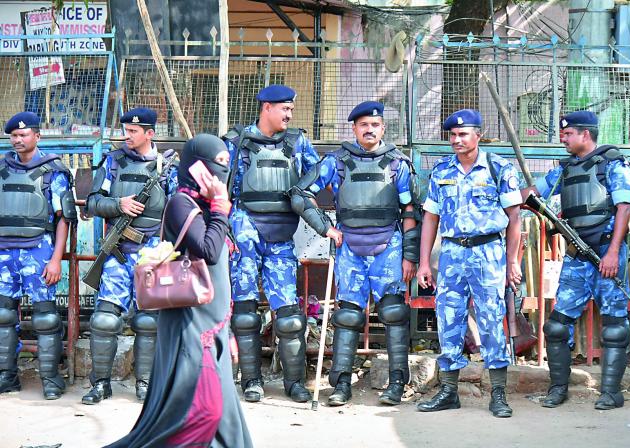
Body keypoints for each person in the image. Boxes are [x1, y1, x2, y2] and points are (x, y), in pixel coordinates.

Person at [105, 134, 252, 448]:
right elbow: (209, 251)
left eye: (226, 165)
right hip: (191, 326)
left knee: (224, 417)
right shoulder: (181, 204)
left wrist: (228, 331)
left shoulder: (207, 206)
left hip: (216, 327)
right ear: (197, 168)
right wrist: (221, 207)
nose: (221, 173)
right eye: (216, 165)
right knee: (200, 412)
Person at [291, 101, 420, 406]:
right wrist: (327, 229)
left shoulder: (397, 164)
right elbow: (300, 194)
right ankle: (341, 384)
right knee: (347, 316)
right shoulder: (337, 162)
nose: (369, 130)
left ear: (383, 128)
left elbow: (410, 209)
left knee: (393, 313)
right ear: (354, 129)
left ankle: (397, 382)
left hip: (388, 247)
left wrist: (410, 256)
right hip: (350, 247)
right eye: (363, 125)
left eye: (375, 125)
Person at [523, 110, 630, 410]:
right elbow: (533, 194)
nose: (563, 138)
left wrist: (613, 252)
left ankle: (611, 392)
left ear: (586, 134)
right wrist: (512, 192)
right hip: (576, 257)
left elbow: (625, 207)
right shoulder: (564, 169)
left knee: (614, 327)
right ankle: (558, 388)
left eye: (568, 133)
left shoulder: (611, 163)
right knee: (557, 326)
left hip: (607, 252)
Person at [415, 109, 522, 418]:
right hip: (451, 254)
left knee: (491, 319)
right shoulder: (441, 171)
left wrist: (512, 261)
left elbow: (515, 219)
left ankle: (498, 394)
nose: (457, 139)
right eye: (452, 135)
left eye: (463, 134)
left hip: (488, 252)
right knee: (449, 320)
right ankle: (449, 391)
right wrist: (424, 263)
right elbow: (430, 218)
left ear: (478, 134)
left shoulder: (499, 168)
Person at [223, 84, 320, 403]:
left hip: (281, 235)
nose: (290, 114)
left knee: (290, 316)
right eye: (284, 108)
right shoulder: (237, 142)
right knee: (246, 312)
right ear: (266, 107)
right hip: (245, 231)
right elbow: (218, 187)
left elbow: (318, 174)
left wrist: (302, 193)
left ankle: (295, 382)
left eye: (291, 108)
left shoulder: (297, 142)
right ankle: (251, 380)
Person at [83, 108, 178, 403]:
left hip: (152, 254)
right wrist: (118, 204)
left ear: (150, 133)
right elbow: (92, 202)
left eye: (134, 131)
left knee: (149, 321)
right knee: (104, 320)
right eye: (125, 129)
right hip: (119, 253)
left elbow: (180, 211)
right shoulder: (113, 162)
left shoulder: (167, 169)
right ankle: (100, 384)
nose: (127, 134)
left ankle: (145, 383)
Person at [0, 112, 77, 400]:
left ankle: (51, 379)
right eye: (14, 136)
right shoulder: (2, 168)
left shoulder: (52, 171)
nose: (18, 140)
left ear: (37, 136)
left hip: (39, 251)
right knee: (3, 315)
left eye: (24, 135)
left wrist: (56, 258)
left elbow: (64, 218)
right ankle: (7, 377)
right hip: (4, 252)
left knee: (45, 317)